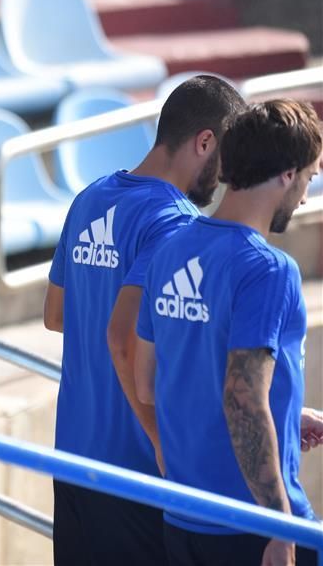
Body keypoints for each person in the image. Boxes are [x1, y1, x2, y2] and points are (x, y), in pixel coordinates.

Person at [43, 76, 246, 565]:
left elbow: (56, 315)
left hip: (72, 458)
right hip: (136, 472)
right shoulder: (175, 222)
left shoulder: (91, 196)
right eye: (228, 159)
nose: (224, 178)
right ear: (205, 141)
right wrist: (161, 441)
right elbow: (128, 343)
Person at [136, 99, 322, 566]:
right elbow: (241, 398)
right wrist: (278, 527)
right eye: (310, 179)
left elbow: (149, 383)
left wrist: (283, 414)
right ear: (287, 173)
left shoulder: (169, 250)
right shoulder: (269, 270)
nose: (304, 196)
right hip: (253, 527)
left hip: (184, 518)